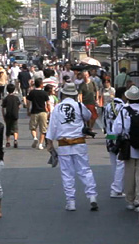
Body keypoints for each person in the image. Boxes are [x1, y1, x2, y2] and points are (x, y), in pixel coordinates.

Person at [45, 82, 99, 212]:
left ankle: (71, 202)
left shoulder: (57, 108)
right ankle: (92, 196)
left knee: (67, 173)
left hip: (64, 144)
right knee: (85, 170)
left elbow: (52, 127)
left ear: (63, 94)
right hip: (79, 143)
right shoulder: (79, 106)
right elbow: (88, 116)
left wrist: (49, 142)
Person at [104, 86, 126, 198]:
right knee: (121, 163)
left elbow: (104, 122)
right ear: (123, 95)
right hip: (119, 137)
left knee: (114, 163)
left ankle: (116, 185)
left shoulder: (108, 106)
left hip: (109, 136)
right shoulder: (123, 107)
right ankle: (117, 188)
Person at [27, 77, 49, 150]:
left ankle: (35, 138)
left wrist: (28, 110)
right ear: (41, 84)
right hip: (43, 112)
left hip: (34, 111)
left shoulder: (32, 92)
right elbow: (48, 103)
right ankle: (40, 144)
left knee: (33, 127)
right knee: (43, 129)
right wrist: (48, 110)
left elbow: (28, 102)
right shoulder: (44, 93)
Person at [1, 84, 21, 148]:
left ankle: (8, 142)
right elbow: (19, 106)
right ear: (14, 89)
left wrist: (4, 116)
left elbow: (3, 108)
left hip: (8, 115)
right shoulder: (16, 98)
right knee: (15, 128)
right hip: (15, 115)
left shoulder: (6, 98)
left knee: (8, 129)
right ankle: (15, 140)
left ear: (7, 90)